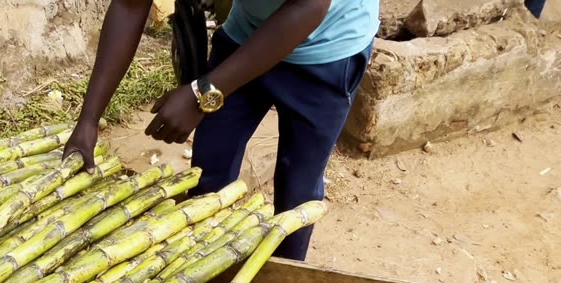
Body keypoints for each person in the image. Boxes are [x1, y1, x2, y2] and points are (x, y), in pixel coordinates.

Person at [64, 0, 379, 261]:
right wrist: (88, 120)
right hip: (248, 32)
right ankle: (199, 267)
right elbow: (129, 5)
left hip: (329, 46)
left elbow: (310, 6)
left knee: (297, 189)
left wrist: (202, 93)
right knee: (209, 167)